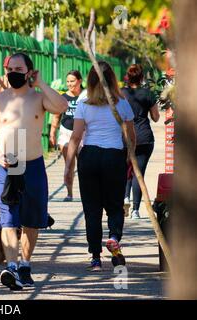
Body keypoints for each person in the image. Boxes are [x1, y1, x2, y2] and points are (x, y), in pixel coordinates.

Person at [0, 53, 67, 290]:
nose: (14, 73)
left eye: (20, 69)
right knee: (8, 217)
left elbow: (62, 105)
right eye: (11, 69)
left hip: (33, 163)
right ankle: (11, 267)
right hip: (9, 163)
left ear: (29, 71)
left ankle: (25, 265)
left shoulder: (38, 98)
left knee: (32, 220)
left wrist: (40, 83)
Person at [64, 61, 136, 272]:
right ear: (112, 79)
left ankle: (95, 257)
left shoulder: (83, 102)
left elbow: (76, 137)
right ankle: (114, 238)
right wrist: (130, 158)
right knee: (115, 205)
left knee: (92, 210)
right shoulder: (121, 103)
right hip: (114, 157)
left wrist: (69, 165)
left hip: (90, 157)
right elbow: (130, 136)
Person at [123, 64, 160, 219]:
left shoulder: (121, 93)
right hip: (144, 137)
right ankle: (136, 211)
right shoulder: (148, 94)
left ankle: (125, 197)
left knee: (125, 171)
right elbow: (156, 117)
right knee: (139, 173)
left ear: (127, 77)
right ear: (142, 77)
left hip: (124, 137)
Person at [49, 70, 85, 201]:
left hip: (83, 133)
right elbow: (57, 115)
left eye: (73, 81)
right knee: (69, 164)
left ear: (80, 81)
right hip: (66, 132)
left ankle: (86, 193)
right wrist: (52, 132)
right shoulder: (63, 97)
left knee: (84, 165)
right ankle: (69, 193)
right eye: (68, 81)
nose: (70, 84)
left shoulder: (86, 96)